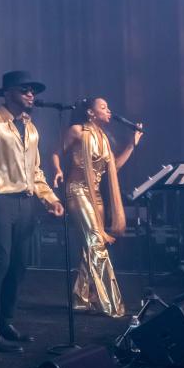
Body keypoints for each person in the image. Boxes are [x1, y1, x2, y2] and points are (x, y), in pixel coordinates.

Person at [0, 70, 65, 353]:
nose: (31, 95)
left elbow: (35, 170)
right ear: (7, 94)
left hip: (26, 202)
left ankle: (6, 323)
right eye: (24, 90)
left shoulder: (30, 128)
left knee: (18, 266)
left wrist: (49, 198)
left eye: (33, 91)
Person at [51, 97, 142, 317]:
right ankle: (111, 303)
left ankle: (80, 298)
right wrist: (57, 170)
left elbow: (115, 167)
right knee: (95, 241)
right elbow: (55, 152)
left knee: (89, 247)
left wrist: (132, 144)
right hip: (77, 190)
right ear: (91, 113)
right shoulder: (76, 131)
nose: (109, 111)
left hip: (96, 196)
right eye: (103, 108)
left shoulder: (103, 138)